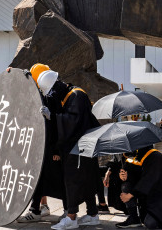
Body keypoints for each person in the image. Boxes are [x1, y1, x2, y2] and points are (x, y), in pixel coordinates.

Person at [38, 70, 102, 230]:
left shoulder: (76, 95)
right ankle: (93, 214)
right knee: (86, 181)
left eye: (51, 92)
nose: (52, 96)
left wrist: (53, 117)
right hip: (82, 147)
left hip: (79, 148)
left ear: (56, 86)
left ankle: (71, 217)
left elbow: (74, 121)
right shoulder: (70, 96)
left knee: (72, 181)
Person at [18, 64, 68, 224]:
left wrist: (57, 149)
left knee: (58, 179)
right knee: (40, 177)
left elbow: (58, 124)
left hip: (53, 146)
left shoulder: (55, 95)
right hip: (49, 146)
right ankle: (37, 209)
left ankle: (67, 211)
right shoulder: (55, 90)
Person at [117, 145, 162, 229]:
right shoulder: (134, 157)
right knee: (126, 186)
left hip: (161, 197)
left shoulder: (155, 156)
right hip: (146, 197)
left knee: (150, 223)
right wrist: (125, 177)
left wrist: (130, 195)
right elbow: (136, 177)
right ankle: (134, 218)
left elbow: (149, 179)